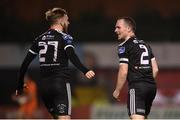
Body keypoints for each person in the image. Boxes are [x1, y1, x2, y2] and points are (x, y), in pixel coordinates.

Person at [16, 7, 95, 120]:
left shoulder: (39, 39)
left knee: (55, 117)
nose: (68, 22)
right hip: (60, 84)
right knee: (64, 118)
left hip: (44, 87)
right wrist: (85, 70)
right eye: (67, 20)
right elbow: (71, 55)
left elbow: (24, 64)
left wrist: (19, 86)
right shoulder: (65, 37)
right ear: (61, 20)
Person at [113, 17, 158, 119]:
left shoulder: (124, 46)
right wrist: (147, 82)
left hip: (137, 87)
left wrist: (117, 90)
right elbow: (155, 69)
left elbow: (123, 71)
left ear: (128, 28)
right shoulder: (145, 44)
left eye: (118, 27)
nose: (115, 30)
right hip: (151, 88)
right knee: (143, 117)